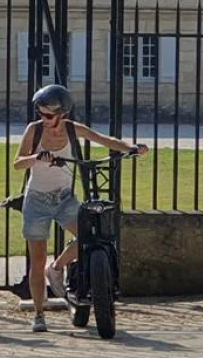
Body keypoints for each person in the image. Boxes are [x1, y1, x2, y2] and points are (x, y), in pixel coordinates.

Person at [12, 84, 148, 332]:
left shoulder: (73, 129)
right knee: (37, 256)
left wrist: (131, 148)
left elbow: (105, 140)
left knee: (89, 237)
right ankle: (39, 315)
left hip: (64, 198)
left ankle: (56, 269)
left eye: (49, 115)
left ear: (62, 113)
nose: (43, 118)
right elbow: (18, 163)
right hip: (37, 200)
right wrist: (37, 158)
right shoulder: (34, 130)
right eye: (40, 113)